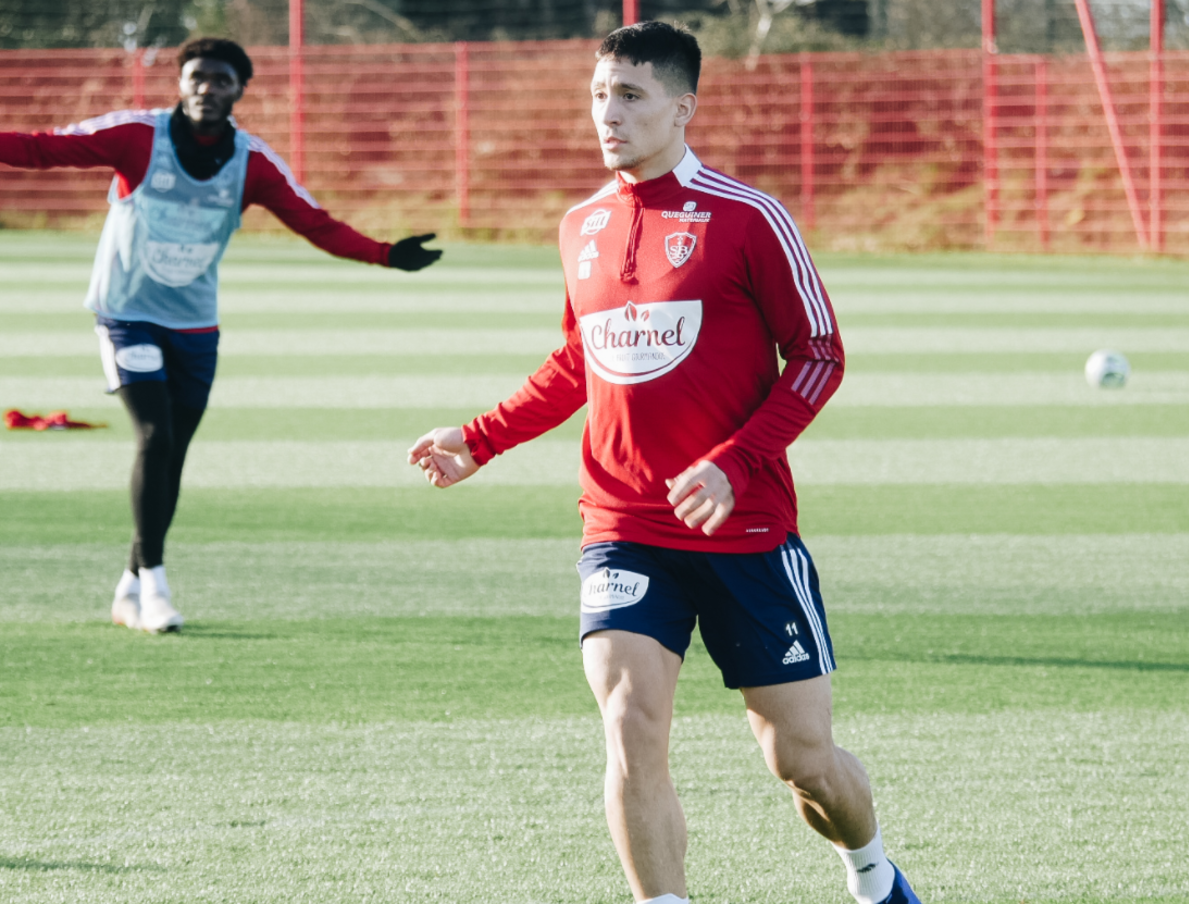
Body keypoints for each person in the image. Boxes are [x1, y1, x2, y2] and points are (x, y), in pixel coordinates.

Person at [407, 21, 921, 904]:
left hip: (745, 530)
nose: (607, 114)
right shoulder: (580, 225)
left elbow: (819, 353)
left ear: (682, 108)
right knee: (628, 727)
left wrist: (735, 461)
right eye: (598, 95)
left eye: (630, 96)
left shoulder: (749, 218)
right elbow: (581, 360)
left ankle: (873, 876)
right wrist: (479, 437)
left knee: (800, 760)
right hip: (622, 525)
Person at [0, 37, 442, 634]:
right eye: (197, 76)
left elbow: (314, 223)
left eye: (222, 79)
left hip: (195, 326)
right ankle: (156, 587)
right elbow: (41, 148)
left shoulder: (252, 163)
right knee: (155, 437)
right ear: (181, 84)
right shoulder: (136, 136)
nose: (208, 88)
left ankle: (129, 587)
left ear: (240, 91)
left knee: (172, 453)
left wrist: (387, 254)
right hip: (127, 314)